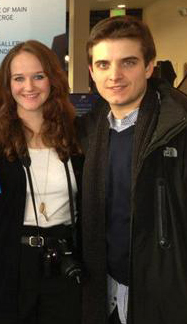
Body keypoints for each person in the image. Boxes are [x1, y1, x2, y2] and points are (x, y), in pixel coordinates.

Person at [0, 40, 83, 324]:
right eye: (19, 78)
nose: (29, 87)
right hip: (8, 262)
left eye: (38, 76)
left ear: (53, 79)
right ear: (7, 85)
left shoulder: (77, 134)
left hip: (62, 261)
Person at [79, 16, 187, 324]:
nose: (114, 75)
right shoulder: (89, 132)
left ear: (150, 66)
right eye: (103, 65)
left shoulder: (177, 130)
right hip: (105, 290)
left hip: (164, 298)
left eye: (128, 62)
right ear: (91, 71)